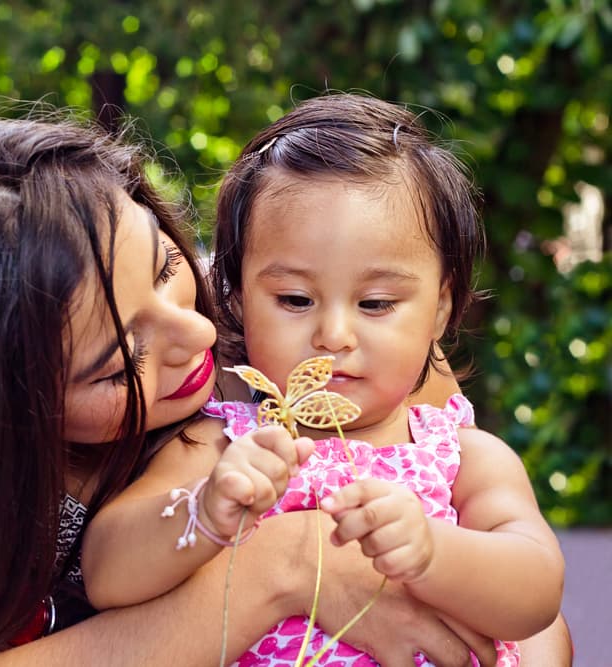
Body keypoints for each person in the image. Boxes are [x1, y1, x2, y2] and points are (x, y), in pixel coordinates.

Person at [0, 111, 569, 667]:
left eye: (172, 265)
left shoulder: (345, 369)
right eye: (115, 362)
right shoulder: (205, 443)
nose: (201, 332)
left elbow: (532, 600)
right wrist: (280, 560)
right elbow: (116, 567)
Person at [80, 94, 565, 666]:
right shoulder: (229, 444)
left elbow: (536, 594)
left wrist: (435, 553)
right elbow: (107, 571)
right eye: (294, 299)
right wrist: (202, 512)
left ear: (439, 310)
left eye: (377, 303)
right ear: (236, 301)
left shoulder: (460, 455)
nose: (334, 334)